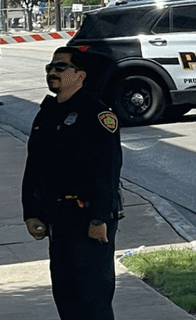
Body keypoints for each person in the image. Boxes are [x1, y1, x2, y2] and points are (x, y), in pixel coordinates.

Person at [22, 47, 122, 320]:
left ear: (80, 75)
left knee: (93, 298)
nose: (52, 72)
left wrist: (100, 218)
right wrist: (31, 211)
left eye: (60, 68)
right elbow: (34, 167)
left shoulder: (97, 114)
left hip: (88, 217)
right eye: (49, 68)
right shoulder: (47, 113)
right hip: (58, 217)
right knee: (65, 296)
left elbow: (107, 171)